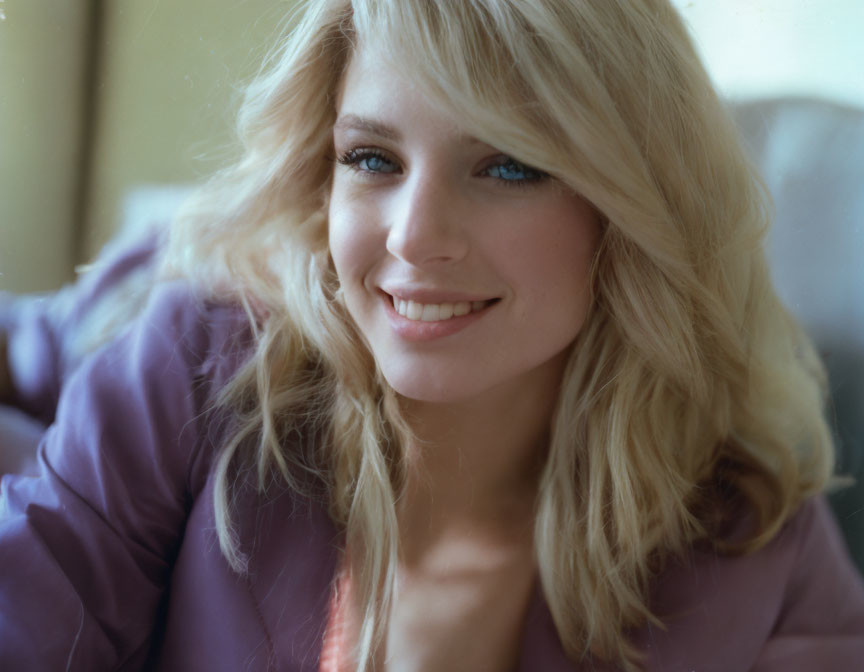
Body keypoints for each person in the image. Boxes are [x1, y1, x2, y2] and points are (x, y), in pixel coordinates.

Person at [1, 0, 863, 670]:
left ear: (628, 213)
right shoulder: (202, 360)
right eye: (373, 159)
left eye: (508, 167)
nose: (414, 236)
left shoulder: (755, 538)